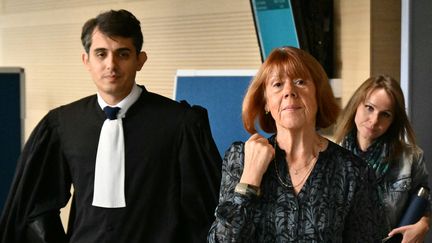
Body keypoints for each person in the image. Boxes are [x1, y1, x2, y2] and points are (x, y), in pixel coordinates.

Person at [0, 9, 221, 243]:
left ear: (140, 60)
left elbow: (203, 213)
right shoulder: (62, 124)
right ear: (86, 60)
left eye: (123, 54)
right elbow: (36, 206)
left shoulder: (181, 124)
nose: (111, 65)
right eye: (101, 54)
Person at [207, 46, 384, 242]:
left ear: (318, 95)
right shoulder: (240, 158)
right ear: (265, 102)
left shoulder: (353, 172)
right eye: (277, 84)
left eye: (300, 82)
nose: (289, 91)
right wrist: (249, 179)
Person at [334, 75, 431, 242]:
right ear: (356, 105)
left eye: (385, 114)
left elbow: (425, 205)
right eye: (369, 108)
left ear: (393, 120)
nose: (374, 120)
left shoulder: (411, 158)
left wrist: (423, 224)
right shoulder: (332, 156)